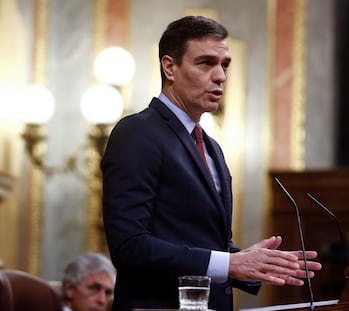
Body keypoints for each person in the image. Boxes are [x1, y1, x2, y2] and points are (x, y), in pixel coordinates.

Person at [101, 15, 322, 311]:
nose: (220, 76)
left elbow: (202, 243)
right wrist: (230, 263)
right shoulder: (138, 133)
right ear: (170, 67)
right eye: (206, 63)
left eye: (225, 65)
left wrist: (255, 263)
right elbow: (129, 246)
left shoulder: (212, 147)